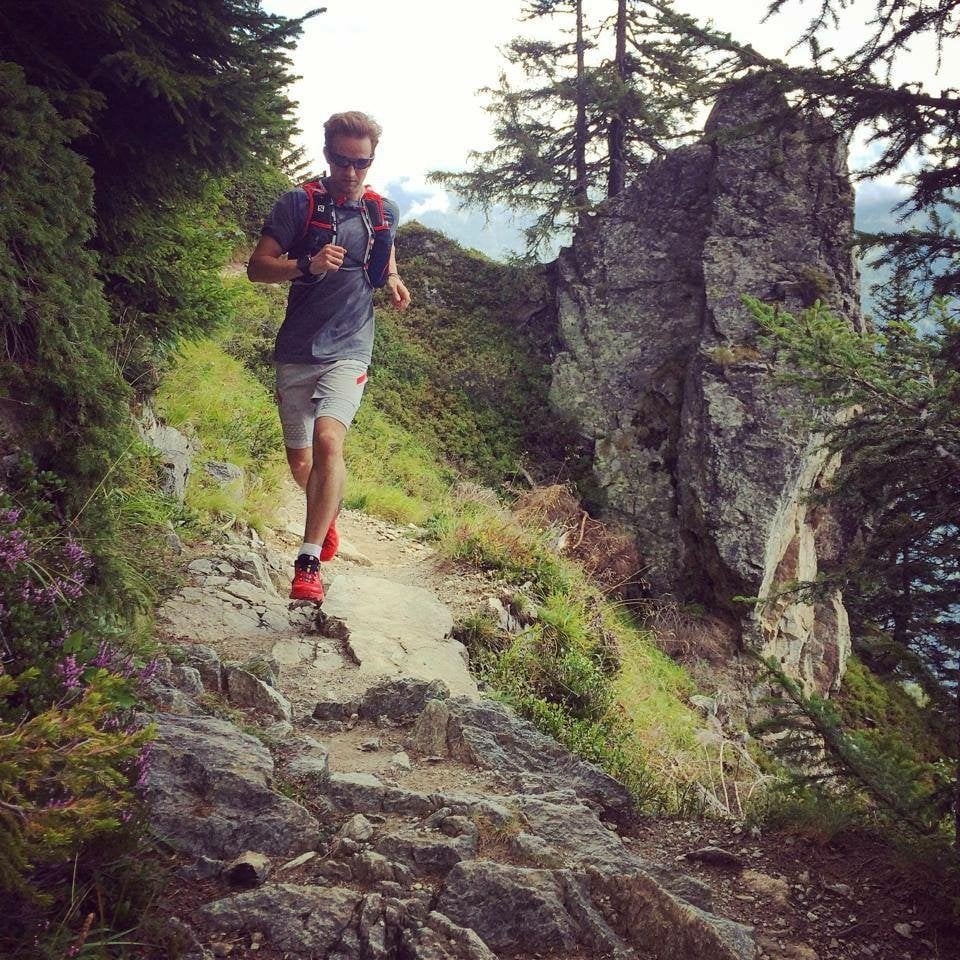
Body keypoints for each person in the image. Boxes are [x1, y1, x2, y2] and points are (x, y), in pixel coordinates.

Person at [247, 110, 411, 603]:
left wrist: (396, 280)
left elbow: (383, 261)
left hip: (351, 347)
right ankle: (327, 512)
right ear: (327, 156)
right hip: (298, 349)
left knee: (328, 442)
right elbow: (257, 268)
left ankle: (308, 561)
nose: (351, 172)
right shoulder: (299, 204)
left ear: (371, 161)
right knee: (300, 462)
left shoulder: (383, 212)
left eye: (361, 163)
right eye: (342, 161)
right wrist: (306, 264)